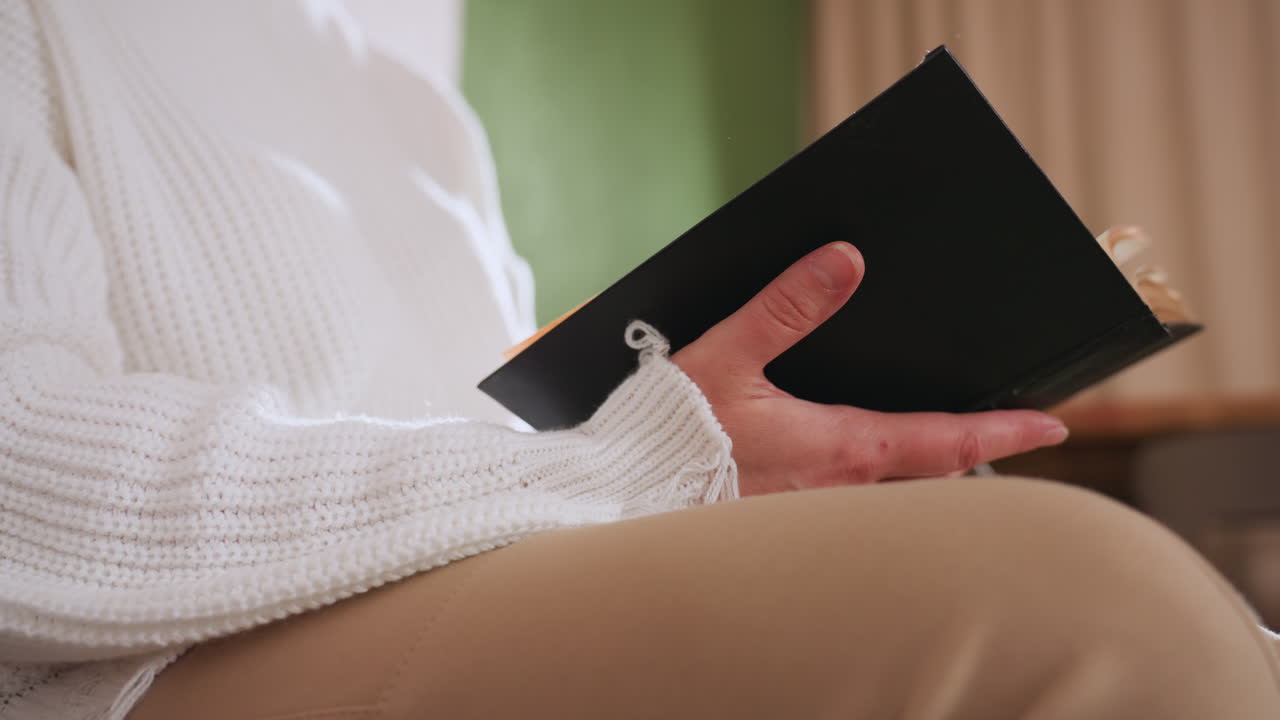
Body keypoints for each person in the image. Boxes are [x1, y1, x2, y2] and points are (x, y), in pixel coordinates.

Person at [2, 2, 1277, 718]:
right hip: (158, 665)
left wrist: (750, 460)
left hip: (492, 569)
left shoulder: (408, 107)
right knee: (1090, 609)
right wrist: (638, 466)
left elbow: (502, 441)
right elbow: (20, 496)